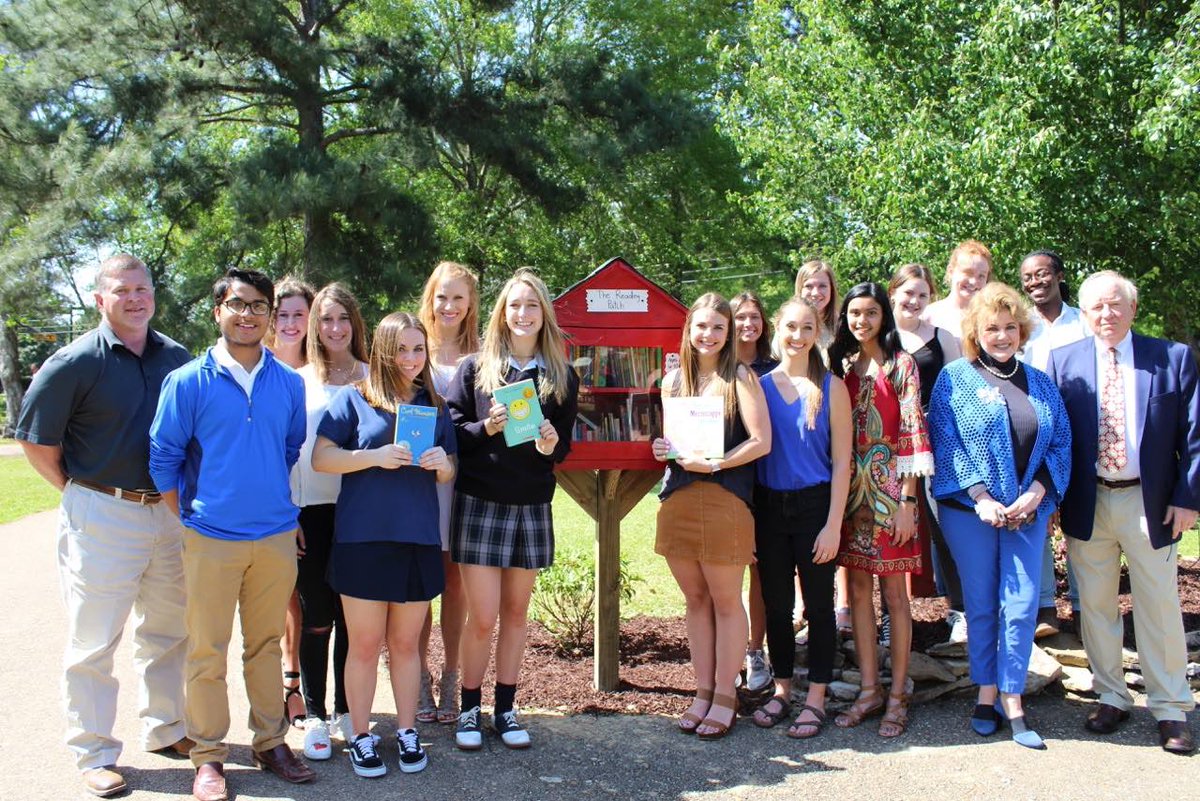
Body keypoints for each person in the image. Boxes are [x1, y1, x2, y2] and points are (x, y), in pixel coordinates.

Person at [14, 254, 192, 798]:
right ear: (99, 299)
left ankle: (166, 727)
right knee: (93, 639)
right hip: (102, 511)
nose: (134, 298)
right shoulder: (72, 362)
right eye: (122, 290)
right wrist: (78, 493)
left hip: (167, 512)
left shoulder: (177, 358)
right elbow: (36, 442)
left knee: (168, 630)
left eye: (142, 289)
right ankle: (93, 752)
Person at [150, 268, 315, 801]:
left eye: (259, 305)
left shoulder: (288, 383)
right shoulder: (187, 382)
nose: (248, 314)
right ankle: (208, 756)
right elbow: (163, 459)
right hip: (210, 538)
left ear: (270, 315)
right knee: (207, 650)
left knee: (265, 646)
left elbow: (288, 449)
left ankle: (270, 742)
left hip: (274, 537)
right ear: (218, 310)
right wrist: (193, 519)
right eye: (238, 304)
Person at [1047, 270, 1200, 756]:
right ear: (1084, 313)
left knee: (1159, 605)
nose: (1106, 314)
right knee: (1095, 605)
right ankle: (1111, 696)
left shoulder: (1171, 357)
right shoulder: (1064, 361)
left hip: (1149, 501)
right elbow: (1054, 437)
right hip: (1088, 500)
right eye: (1096, 306)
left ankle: (1171, 707)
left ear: (1133, 308)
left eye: (1115, 304)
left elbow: (1194, 436)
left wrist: (1187, 497)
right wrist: (1053, 499)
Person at [928, 282, 1072, 750]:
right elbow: (945, 442)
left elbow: (1060, 443)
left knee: (1023, 603)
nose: (1003, 335)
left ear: (1022, 331)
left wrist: (1036, 493)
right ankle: (986, 692)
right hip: (970, 513)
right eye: (992, 328)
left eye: (1011, 327)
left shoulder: (1040, 382)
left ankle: (1013, 697)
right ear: (977, 332)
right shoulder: (954, 378)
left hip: (1027, 512)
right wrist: (981, 497)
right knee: (982, 604)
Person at [311, 312, 455, 777]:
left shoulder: (434, 405)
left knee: (406, 644)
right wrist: (373, 456)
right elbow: (321, 459)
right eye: (402, 349)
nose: (411, 358)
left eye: (418, 349)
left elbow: (450, 470)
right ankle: (361, 735)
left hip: (416, 538)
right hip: (363, 539)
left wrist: (441, 464)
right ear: (382, 351)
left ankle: (408, 731)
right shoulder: (355, 399)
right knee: (365, 644)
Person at [445, 268, 579, 750]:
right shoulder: (475, 369)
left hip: (531, 504)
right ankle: (468, 710)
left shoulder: (561, 375)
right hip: (480, 502)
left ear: (544, 314)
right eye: (515, 305)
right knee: (482, 617)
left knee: (517, 614)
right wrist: (486, 427)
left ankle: (505, 709)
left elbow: (562, 448)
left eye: (532, 305)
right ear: (502, 313)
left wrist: (549, 444)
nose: (523, 314)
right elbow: (453, 431)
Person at [651, 292, 771, 740]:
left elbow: (761, 441)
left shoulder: (739, 376)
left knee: (725, 601)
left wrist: (716, 464)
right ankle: (702, 691)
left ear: (729, 332)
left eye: (718, 327)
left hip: (724, 499)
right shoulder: (672, 381)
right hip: (678, 499)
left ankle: (726, 695)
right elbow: (673, 446)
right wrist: (662, 448)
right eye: (701, 326)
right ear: (689, 330)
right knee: (695, 601)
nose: (709, 334)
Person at [828, 282, 933, 738]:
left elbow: (912, 431)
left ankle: (897, 695)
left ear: (883, 316)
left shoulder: (901, 364)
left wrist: (908, 501)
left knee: (895, 595)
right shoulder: (842, 365)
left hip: (893, 494)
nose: (862, 321)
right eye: (854, 313)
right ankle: (869, 689)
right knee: (856, 590)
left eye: (870, 312)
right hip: (851, 494)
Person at [749, 297, 850, 740]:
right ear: (778, 327)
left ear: (817, 333)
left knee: (819, 607)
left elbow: (843, 463)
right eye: (791, 326)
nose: (798, 335)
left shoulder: (831, 388)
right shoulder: (759, 387)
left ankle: (817, 698)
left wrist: (833, 525)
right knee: (776, 605)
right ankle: (783, 689)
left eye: (807, 327)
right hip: (769, 509)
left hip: (815, 508)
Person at [290, 283, 369, 759]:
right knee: (317, 617)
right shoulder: (297, 381)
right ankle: (315, 715)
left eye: (343, 318)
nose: (335, 328)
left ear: (355, 324)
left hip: (361, 512)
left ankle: (347, 710)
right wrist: (288, 513)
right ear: (313, 326)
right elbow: (282, 452)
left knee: (353, 621)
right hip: (309, 512)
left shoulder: (373, 378)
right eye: (325, 319)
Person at [416, 261, 481, 726]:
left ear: (472, 303)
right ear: (431, 298)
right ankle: (418, 675)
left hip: (465, 484)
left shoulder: (484, 354)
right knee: (420, 585)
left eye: (459, 297)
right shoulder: (411, 345)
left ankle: (452, 675)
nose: (450, 306)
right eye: (443, 296)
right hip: (416, 484)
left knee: (456, 584)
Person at [888, 264, 967, 645]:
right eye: (908, 293)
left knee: (944, 526)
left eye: (922, 294)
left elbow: (958, 393)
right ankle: (889, 617)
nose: (915, 301)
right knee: (889, 529)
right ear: (893, 293)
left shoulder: (942, 338)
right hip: (888, 448)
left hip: (935, 444)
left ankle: (960, 611)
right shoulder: (880, 337)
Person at [1017, 250, 1087, 637]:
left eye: (1042, 274)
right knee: (1038, 514)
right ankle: (1045, 607)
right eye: (1028, 277)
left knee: (1080, 520)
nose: (1035, 282)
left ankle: (1081, 606)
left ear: (1059, 275)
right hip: (1034, 436)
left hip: (1082, 431)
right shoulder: (1021, 327)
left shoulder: (1084, 322)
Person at [268, 275, 315, 729]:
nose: (290, 322)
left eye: (299, 314)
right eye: (282, 314)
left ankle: (313, 689)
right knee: (282, 598)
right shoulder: (258, 368)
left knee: (313, 600)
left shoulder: (323, 369)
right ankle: (288, 683)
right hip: (272, 504)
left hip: (322, 501)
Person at [795, 260, 852, 633]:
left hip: (839, 426)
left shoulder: (842, 333)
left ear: (832, 291)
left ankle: (843, 603)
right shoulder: (792, 328)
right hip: (802, 434)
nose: (816, 293)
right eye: (809, 285)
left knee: (838, 518)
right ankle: (802, 604)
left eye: (822, 286)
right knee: (802, 526)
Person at [731, 290, 778, 694]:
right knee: (726, 572)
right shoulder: (717, 368)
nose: (748, 324)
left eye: (755, 317)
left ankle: (754, 651)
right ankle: (728, 654)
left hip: (767, 482)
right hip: (727, 483)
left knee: (760, 572)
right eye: (740, 317)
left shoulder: (776, 370)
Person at [922, 239, 992, 339]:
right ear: (951, 271)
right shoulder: (928, 316)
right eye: (968, 273)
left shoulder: (992, 316)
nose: (974, 282)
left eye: (981, 276)